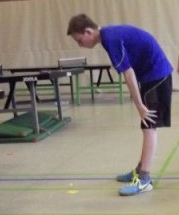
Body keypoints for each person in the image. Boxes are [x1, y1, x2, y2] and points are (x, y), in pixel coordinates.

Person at [67, 14, 173, 196]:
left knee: (149, 127)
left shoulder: (111, 39)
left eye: (79, 40)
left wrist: (139, 105)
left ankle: (144, 180)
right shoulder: (108, 35)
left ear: (88, 31)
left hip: (157, 76)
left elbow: (128, 73)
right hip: (151, 75)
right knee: (147, 126)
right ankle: (140, 170)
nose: (80, 45)